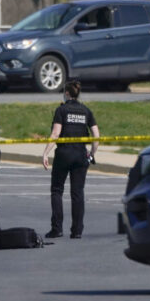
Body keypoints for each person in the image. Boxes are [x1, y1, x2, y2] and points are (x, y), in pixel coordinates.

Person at [42, 80, 99, 239]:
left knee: (57, 190)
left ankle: (57, 228)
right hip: (81, 155)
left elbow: (55, 134)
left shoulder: (62, 110)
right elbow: (96, 135)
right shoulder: (86, 111)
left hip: (64, 154)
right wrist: (92, 154)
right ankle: (77, 231)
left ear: (67, 93)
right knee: (77, 193)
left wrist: (46, 153)